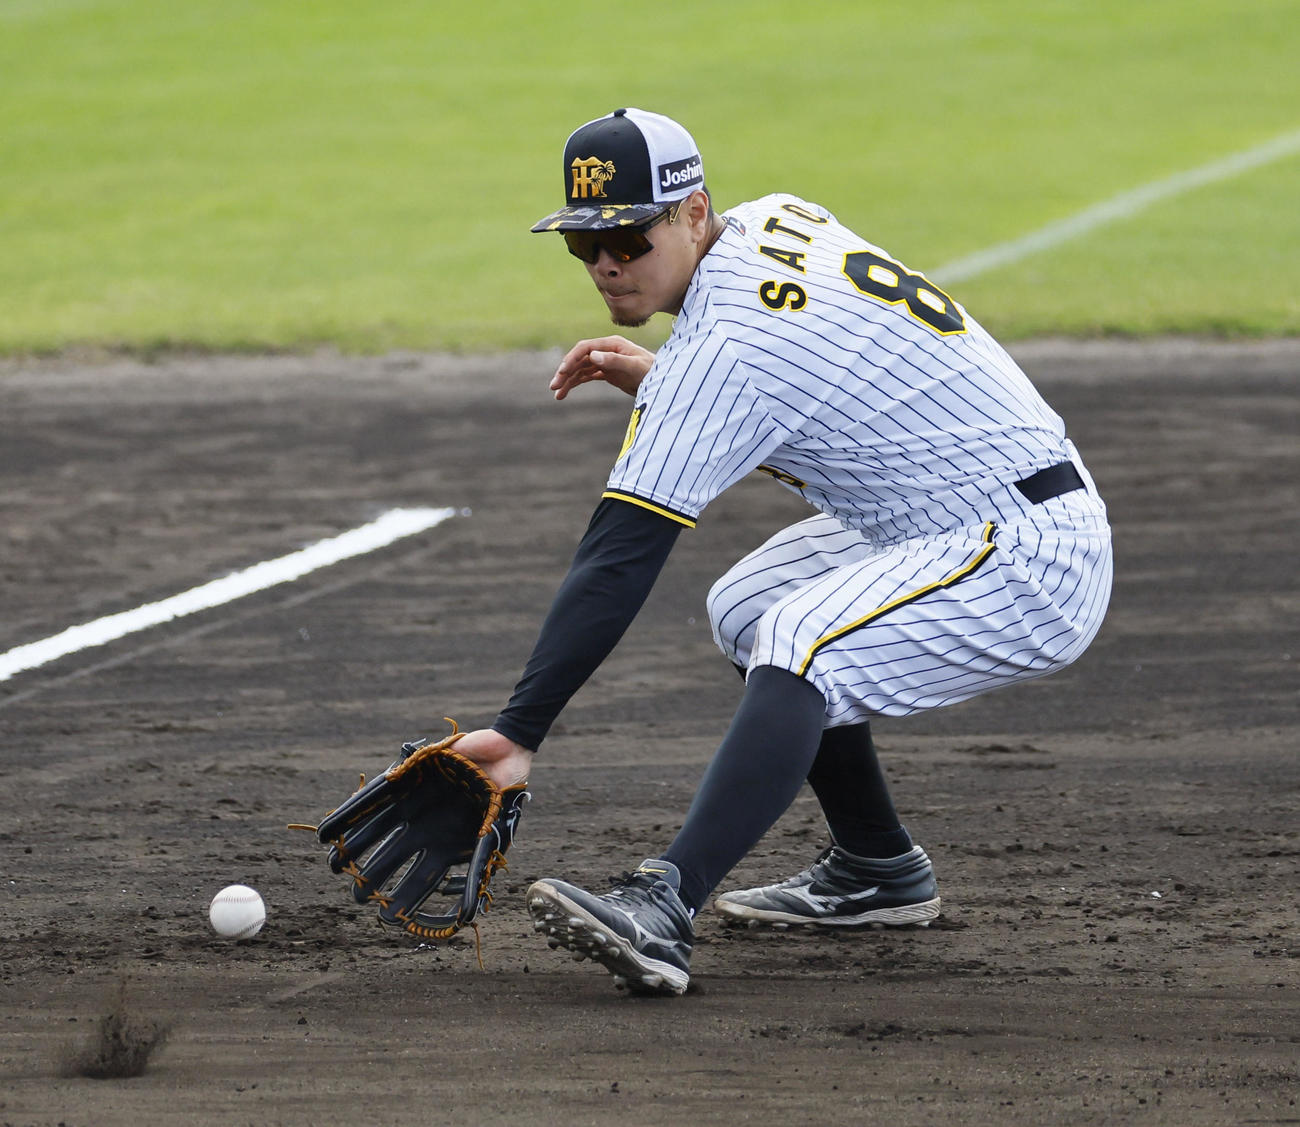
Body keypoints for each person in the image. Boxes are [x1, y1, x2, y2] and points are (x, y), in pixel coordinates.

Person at [451, 107, 1113, 996]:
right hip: (946, 505)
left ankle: (666, 902)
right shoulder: (773, 220)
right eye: (584, 245)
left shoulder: (727, 349)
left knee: (801, 637)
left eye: (628, 237)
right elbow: (834, 392)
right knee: (748, 608)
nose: (607, 263)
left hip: (1028, 553)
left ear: (692, 213)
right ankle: (877, 867)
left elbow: (620, 554)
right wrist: (668, 385)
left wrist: (523, 726)